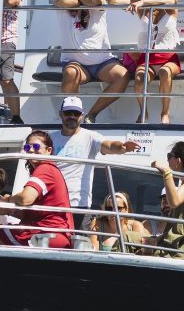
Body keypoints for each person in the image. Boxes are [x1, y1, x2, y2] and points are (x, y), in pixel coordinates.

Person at [107, 0, 181, 123]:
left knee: (165, 72)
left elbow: (169, 2)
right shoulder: (139, 4)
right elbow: (112, 1)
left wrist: (142, 2)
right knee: (140, 78)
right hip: (147, 58)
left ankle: (165, 113)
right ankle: (143, 112)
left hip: (168, 58)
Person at [53, 0, 129, 123]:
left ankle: (92, 115)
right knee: (71, 73)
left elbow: (93, 1)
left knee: (122, 75)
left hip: (102, 63)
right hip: (76, 64)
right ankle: (73, 116)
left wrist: (77, 1)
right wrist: (78, 1)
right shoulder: (65, 3)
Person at [49, 96, 140, 225]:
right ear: (61, 114)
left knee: (79, 239)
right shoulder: (49, 138)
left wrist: (122, 147)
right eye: (68, 113)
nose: (72, 116)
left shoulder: (91, 137)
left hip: (79, 205)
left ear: (82, 115)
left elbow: (109, 145)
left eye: (76, 113)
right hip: (52, 203)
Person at [0, 130, 74, 248]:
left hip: (44, 233)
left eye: (36, 146)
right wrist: (8, 209)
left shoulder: (45, 168)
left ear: (48, 150)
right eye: (27, 147)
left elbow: (26, 199)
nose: (31, 150)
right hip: (54, 233)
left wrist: (7, 200)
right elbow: (34, 211)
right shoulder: (50, 169)